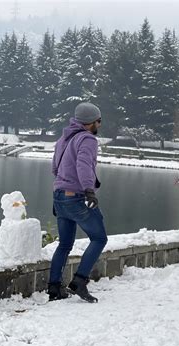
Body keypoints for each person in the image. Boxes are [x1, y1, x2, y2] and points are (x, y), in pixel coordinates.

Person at [47, 102, 107, 303]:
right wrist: (89, 190)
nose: (100, 124)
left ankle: (54, 288)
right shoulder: (87, 139)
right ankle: (79, 281)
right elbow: (84, 164)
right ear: (91, 122)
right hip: (76, 196)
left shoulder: (63, 138)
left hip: (59, 195)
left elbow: (55, 168)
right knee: (99, 238)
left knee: (64, 244)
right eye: (99, 121)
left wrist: (62, 189)